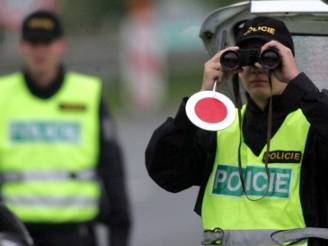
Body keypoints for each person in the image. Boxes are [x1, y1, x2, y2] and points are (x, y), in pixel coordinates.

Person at [145, 16, 328, 245]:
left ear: (287, 60)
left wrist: (297, 82)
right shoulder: (222, 126)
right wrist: (201, 99)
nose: (257, 68)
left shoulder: (313, 124)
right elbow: (165, 172)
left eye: (268, 57)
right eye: (247, 58)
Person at [0, 10, 131, 246]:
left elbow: (112, 170)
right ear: (22, 46)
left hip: (75, 234)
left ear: (61, 45)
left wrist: (119, 233)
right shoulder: (2, 95)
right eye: (33, 43)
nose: (40, 51)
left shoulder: (87, 93)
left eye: (47, 43)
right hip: (13, 233)